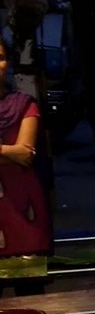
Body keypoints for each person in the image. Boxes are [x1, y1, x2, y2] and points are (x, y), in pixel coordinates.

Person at [0, 36, 50, 291]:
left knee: (29, 293)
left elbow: (25, 153)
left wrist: (12, 151)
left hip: (21, 207)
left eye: (0, 58)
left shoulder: (23, 104)